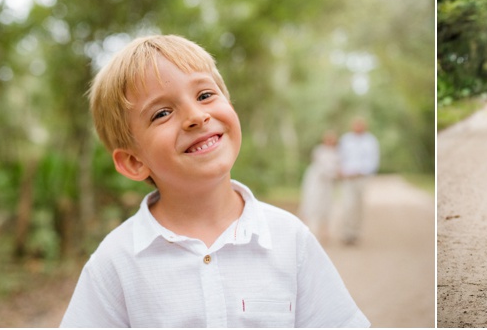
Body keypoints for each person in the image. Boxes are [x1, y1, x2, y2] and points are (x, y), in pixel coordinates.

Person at [60, 35, 369, 327]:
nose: (196, 116)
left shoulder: (290, 239)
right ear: (134, 162)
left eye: (205, 95)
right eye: (162, 113)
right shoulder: (115, 262)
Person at [336, 117, 378, 245]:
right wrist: (341, 171)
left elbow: (373, 160)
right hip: (348, 178)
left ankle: (356, 233)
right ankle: (346, 233)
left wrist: (362, 171)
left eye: (360, 125)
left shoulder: (371, 141)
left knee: (359, 206)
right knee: (348, 205)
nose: (358, 127)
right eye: (356, 125)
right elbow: (340, 157)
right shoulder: (346, 139)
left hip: (362, 178)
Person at [299, 130, 340, 242]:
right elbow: (323, 168)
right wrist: (336, 174)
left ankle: (324, 231)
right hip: (315, 182)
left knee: (326, 205)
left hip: (328, 184)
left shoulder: (337, 152)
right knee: (311, 202)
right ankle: (307, 230)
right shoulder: (319, 150)